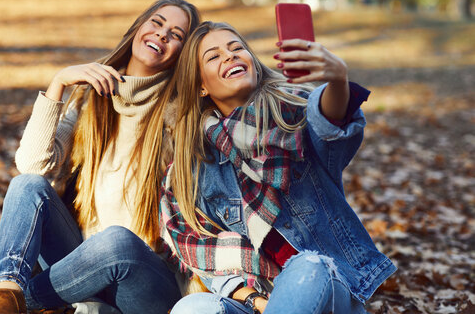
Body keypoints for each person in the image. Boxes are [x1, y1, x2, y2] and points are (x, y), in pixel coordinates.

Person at [0, 0, 200, 314]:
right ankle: (5, 293)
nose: (162, 34)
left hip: (141, 281)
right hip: (76, 264)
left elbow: (239, 86)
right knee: (27, 186)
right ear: (139, 26)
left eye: (176, 34)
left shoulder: (182, 113)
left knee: (116, 240)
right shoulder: (93, 97)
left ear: (182, 54)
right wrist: (58, 82)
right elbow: (33, 164)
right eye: (156, 23)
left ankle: (1, 300)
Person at [159, 21, 397, 314]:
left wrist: (338, 80)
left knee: (308, 265)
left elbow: (331, 124)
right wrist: (258, 302)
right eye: (214, 56)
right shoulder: (193, 167)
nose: (230, 56)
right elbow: (203, 254)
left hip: (325, 289)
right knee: (192, 308)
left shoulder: (295, 117)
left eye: (237, 48)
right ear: (200, 87)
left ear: (255, 65)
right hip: (259, 301)